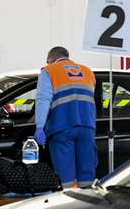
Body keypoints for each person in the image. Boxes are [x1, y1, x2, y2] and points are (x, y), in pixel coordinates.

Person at [34, 46, 98, 188]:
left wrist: (39, 126)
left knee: (65, 174)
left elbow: (43, 99)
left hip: (62, 126)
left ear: (51, 56)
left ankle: (69, 202)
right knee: (87, 171)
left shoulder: (49, 71)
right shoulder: (88, 71)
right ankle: (87, 202)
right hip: (87, 126)